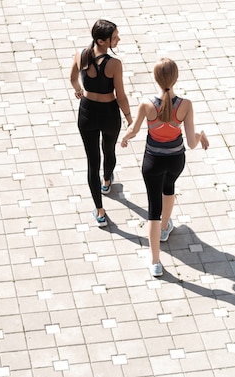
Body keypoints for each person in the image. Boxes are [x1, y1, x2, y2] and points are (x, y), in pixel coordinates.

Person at [121, 58, 209, 277]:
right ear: (176, 78)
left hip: (152, 161)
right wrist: (201, 136)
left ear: (156, 78)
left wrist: (125, 137)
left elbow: (134, 130)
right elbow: (190, 142)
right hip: (176, 160)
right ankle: (164, 228)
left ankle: (155, 262)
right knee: (169, 187)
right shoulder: (185, 105)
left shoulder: (147, 105)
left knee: (153, 210)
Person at [70, 19, 133, 227]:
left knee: (92, 161)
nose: (118, 39)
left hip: (87, 113)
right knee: (109, 149)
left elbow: (72, 78)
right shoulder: (114, 64)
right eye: (114, 37)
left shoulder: (80, 55)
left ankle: (99, 211)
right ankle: (107, 182)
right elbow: (121, 95)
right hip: (109, 114)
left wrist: (78, 90)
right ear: (101, 40)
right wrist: (130, 119)